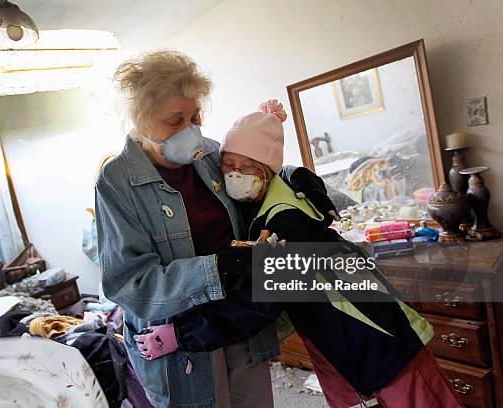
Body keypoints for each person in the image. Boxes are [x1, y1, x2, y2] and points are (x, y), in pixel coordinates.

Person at [135, 100, 462, 408]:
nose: (234, 174)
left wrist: (182, 334)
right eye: (228, 165)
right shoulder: (266, 203)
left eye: (246, 167)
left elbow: (259, 302)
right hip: (335, 339)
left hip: (376, 338)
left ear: (266, 169)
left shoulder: (287, 221)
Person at [94, 50, 280, 408]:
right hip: (178, 337)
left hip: (237, 317)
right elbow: (128, 283)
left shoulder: (212, 154)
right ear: (141, 121)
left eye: (195, 116)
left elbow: (259, 192)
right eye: (175, 121)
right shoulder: (116, 181)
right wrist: (217, 268)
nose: (191, 129)